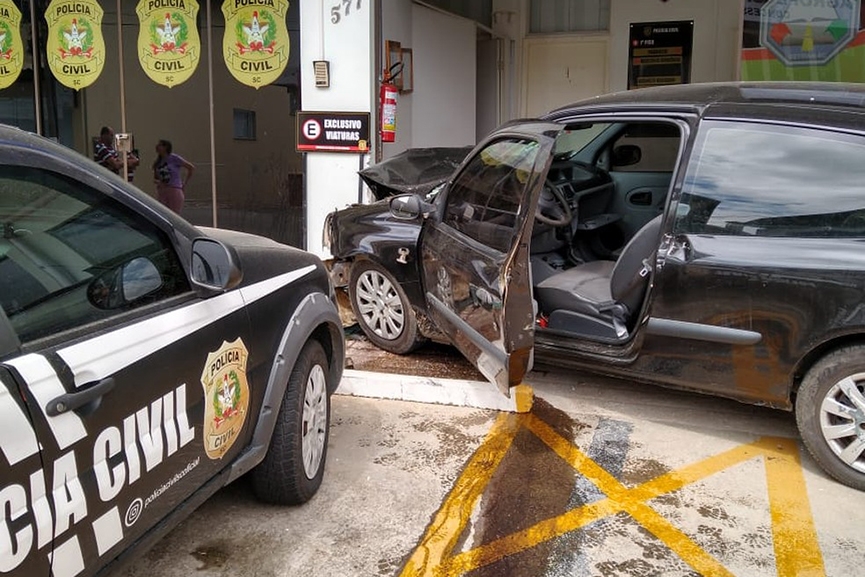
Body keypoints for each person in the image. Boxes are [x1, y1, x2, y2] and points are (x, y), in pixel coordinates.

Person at [153, 139, 194, 214]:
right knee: (162, 214)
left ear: (166, 147)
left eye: (160, 145)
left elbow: (190, 167)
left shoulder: (174, 158)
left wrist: (184, 183)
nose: (157, 147)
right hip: (162, 190)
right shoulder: (158, 162)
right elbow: (156, 178)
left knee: (174, 214)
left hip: (174, 189)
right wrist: (158, 182)